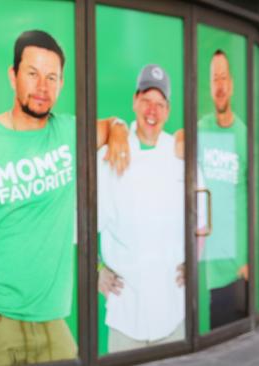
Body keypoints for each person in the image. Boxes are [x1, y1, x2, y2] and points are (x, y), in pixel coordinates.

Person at [0, 29, 129, 365]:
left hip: (51, 323)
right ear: (13, 75)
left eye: (52, 77)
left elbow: (108, 125)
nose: (43, 87)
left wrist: (119, 130)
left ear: (62, 83)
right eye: (33, 74)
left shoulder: (68, 134)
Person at [97, 65, 185, 352]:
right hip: (126, 316)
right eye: (146, 101)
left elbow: (201, 217)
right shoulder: (110, 153)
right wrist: (94, 269)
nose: (152, 111)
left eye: (160, 105)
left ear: (168, 111)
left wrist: (194, 260)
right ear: (135, 101)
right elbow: (83, 221)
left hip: (173, 314)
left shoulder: (179, 153)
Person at [198, 49, 248, 329]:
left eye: (223, 77)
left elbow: (257, 198)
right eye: (214, 78)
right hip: (213, 269)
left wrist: (252, 256)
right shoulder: (201, 130)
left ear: (232, 84)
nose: (219, 85)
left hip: (242, 268)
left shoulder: (243, 135)